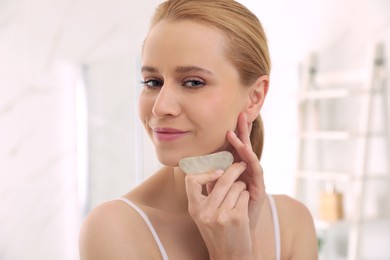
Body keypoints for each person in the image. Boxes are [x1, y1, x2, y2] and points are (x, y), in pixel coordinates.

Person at [79, 0, 318, 259]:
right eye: (152, 81)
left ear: (255, 98)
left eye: (193, 82)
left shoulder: (293, 223)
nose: (161, 107)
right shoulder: (115, 229)